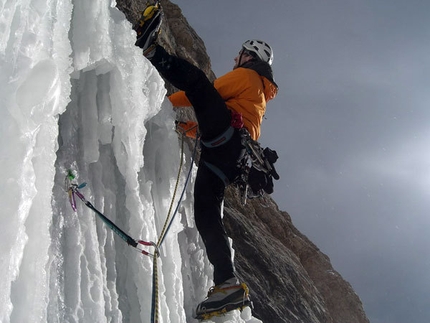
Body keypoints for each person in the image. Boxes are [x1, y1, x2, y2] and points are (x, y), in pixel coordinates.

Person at [134, 3, 278, 318]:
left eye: (239, 54)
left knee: (197, 82)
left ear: (249, 56)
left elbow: (206, 91)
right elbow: (212, 114)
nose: (235, 59)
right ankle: (227, 282)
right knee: (206, 214)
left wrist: (156, 103)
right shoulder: (259, 96)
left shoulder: (249, 76)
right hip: (226, 155)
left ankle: (151, 50)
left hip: (224, 140)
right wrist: (184, 126)